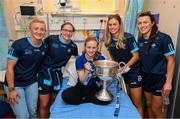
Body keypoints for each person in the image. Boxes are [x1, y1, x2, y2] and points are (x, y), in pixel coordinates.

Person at [4, 18, 47, 118]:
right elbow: (9, 68)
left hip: (31, 83)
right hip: (15, 84)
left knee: (33, 112)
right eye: (36, 28)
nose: (39, 31)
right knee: (23, 116)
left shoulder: (44, 47)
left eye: (42, 29)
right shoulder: (18, 44)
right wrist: (11, 90)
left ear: (45, 31)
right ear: (30, 30)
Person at [102, 14, 143, 117]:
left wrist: (125, 67)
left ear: (120, 25)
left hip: (134, 72)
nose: (112, 27)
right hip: (123, 73)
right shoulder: (108, 40)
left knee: (136, 103)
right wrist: (115, 67)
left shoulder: (129, 38)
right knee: (128, 101)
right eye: (110, 25)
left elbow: (136, 56)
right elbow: (113, 56)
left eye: (115, 24)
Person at [137, 11, 175, 118]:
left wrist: (168, 83)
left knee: (156, 108)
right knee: (148, 105)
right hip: (146, 77)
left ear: (152, 23)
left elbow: (171, 61)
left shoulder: (163, 38)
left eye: (145, 22)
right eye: (139, 23)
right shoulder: (140, 41)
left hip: (160, 79)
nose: (142, 25)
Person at [38, 22, 78, 118]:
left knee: (54, 101)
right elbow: (40, 52)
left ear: (73, 32)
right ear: (61, 30)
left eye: (70, 31)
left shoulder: (73, 47)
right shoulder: (51, 39)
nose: (68, 33)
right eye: (65, 30)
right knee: (44, 104)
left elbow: (77, 60)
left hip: (57, 75)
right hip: (45, 73)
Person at [62, 37, 111, 105]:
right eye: (89, 47)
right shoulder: (80, 59)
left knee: (107, 99)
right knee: (65, 95)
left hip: (94, 87)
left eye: (94, 48)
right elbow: (82, 80)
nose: (91, 50)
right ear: (85, 47)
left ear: (97, 48)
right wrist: (87, 71)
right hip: (82, 86)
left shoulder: (101, 58)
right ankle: (88, 99)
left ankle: (85, 99)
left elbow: (102, 77)